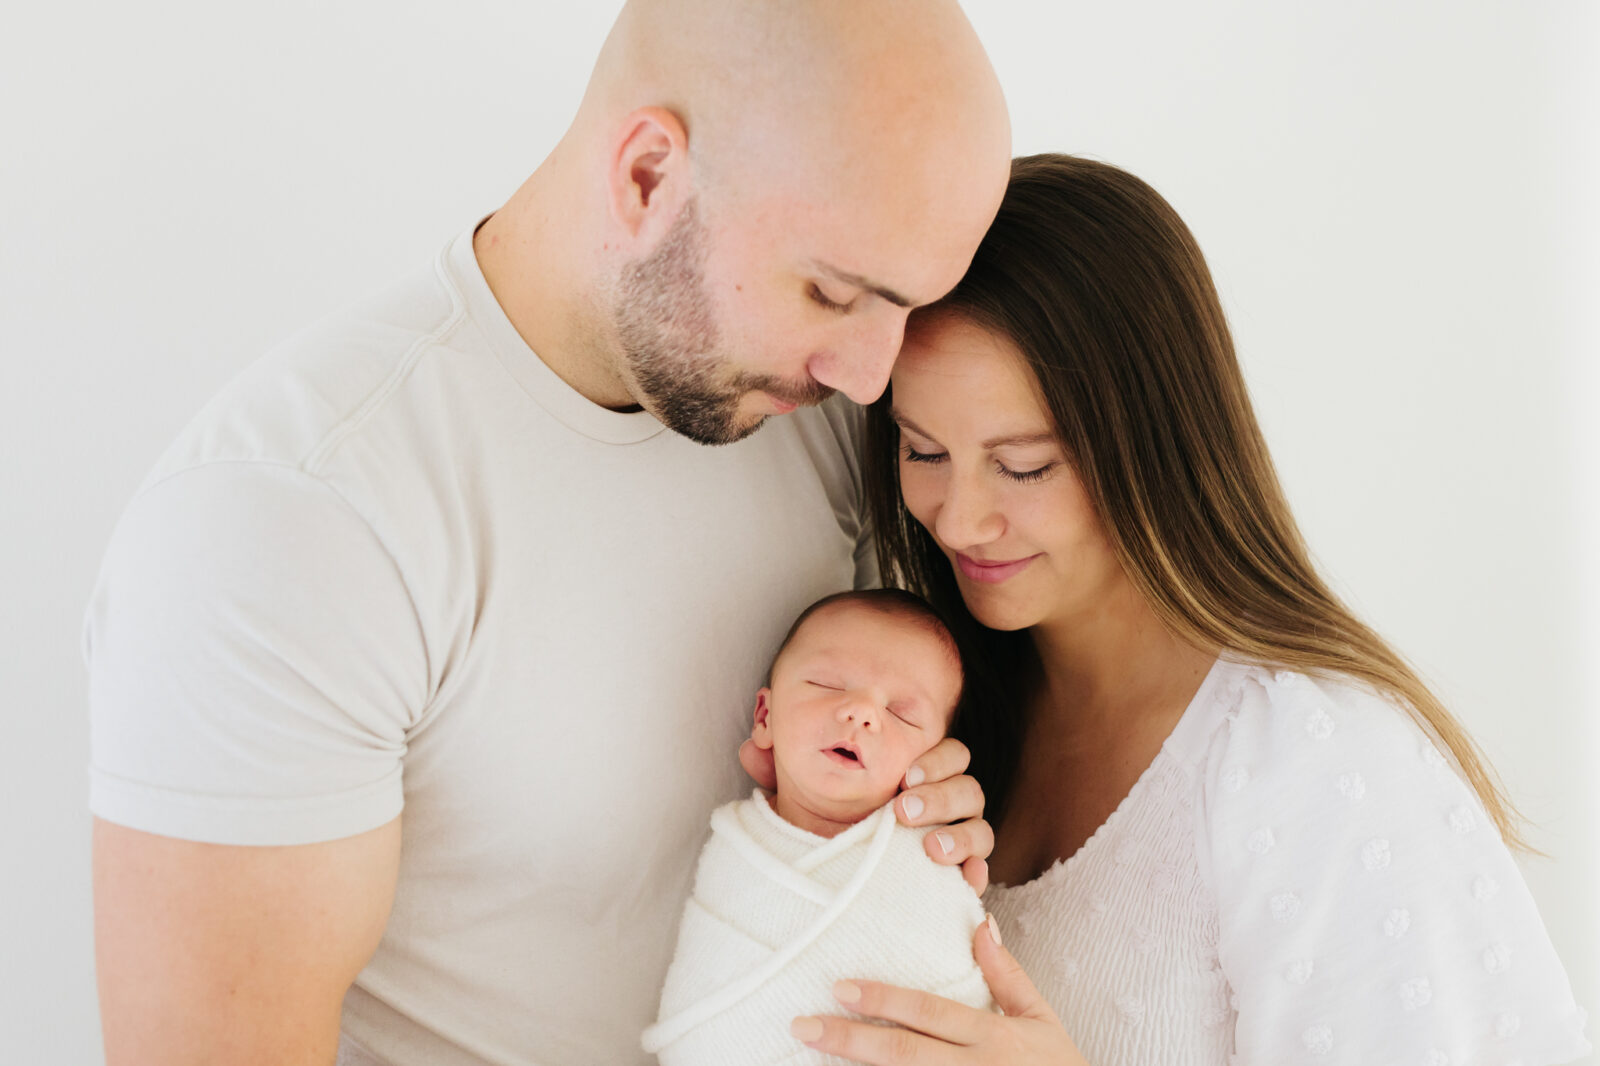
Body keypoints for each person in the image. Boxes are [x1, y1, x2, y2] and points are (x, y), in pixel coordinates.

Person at [82, 3, 1011, 1064]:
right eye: (833, 292)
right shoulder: (290, 520)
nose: (869, 374)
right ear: (649, 176)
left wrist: (906, 833)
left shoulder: (816, 420)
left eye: (902, 309)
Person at [788, 155, 1592, 1065]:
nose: (960, 519)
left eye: (1024, 466)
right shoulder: (944, 717)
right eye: (923, 450)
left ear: (1154, 447)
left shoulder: (1314, 764)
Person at [643, 589, 991, 1065]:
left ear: (935, 762)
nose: (862, 712)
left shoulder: (931, 859)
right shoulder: (738, 844)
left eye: (902, 714)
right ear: (764, 716)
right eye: (827, 684)